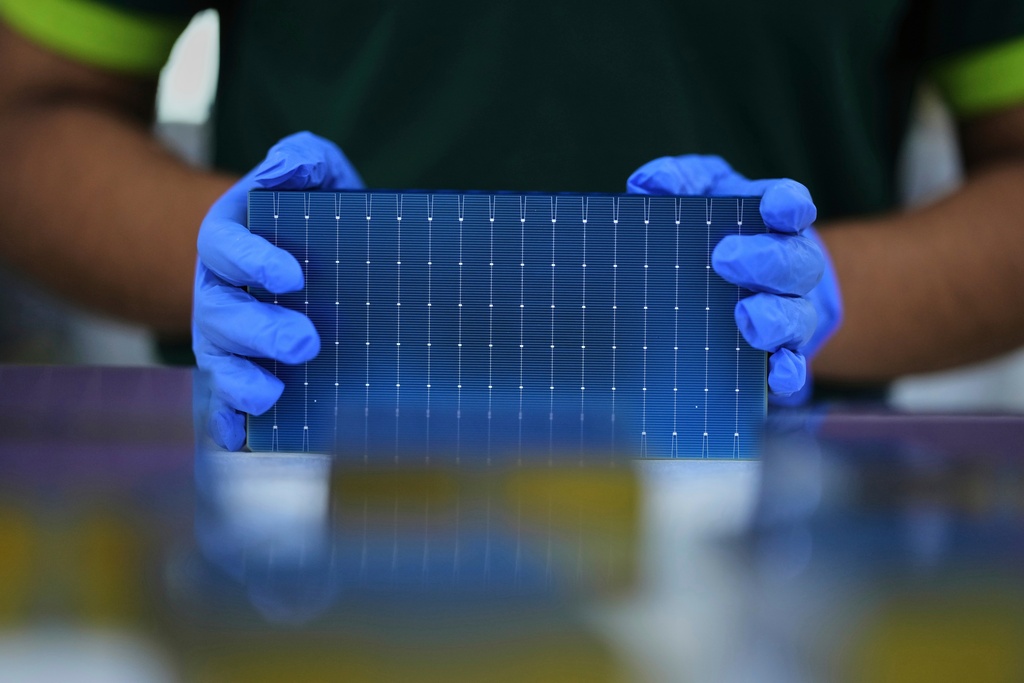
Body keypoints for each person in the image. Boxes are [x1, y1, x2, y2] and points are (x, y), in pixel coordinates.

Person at [1, 2, 1023, 449]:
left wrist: (820, 293)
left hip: (784, 521)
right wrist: (248, 262)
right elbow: (25, 114)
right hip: (298, 504)